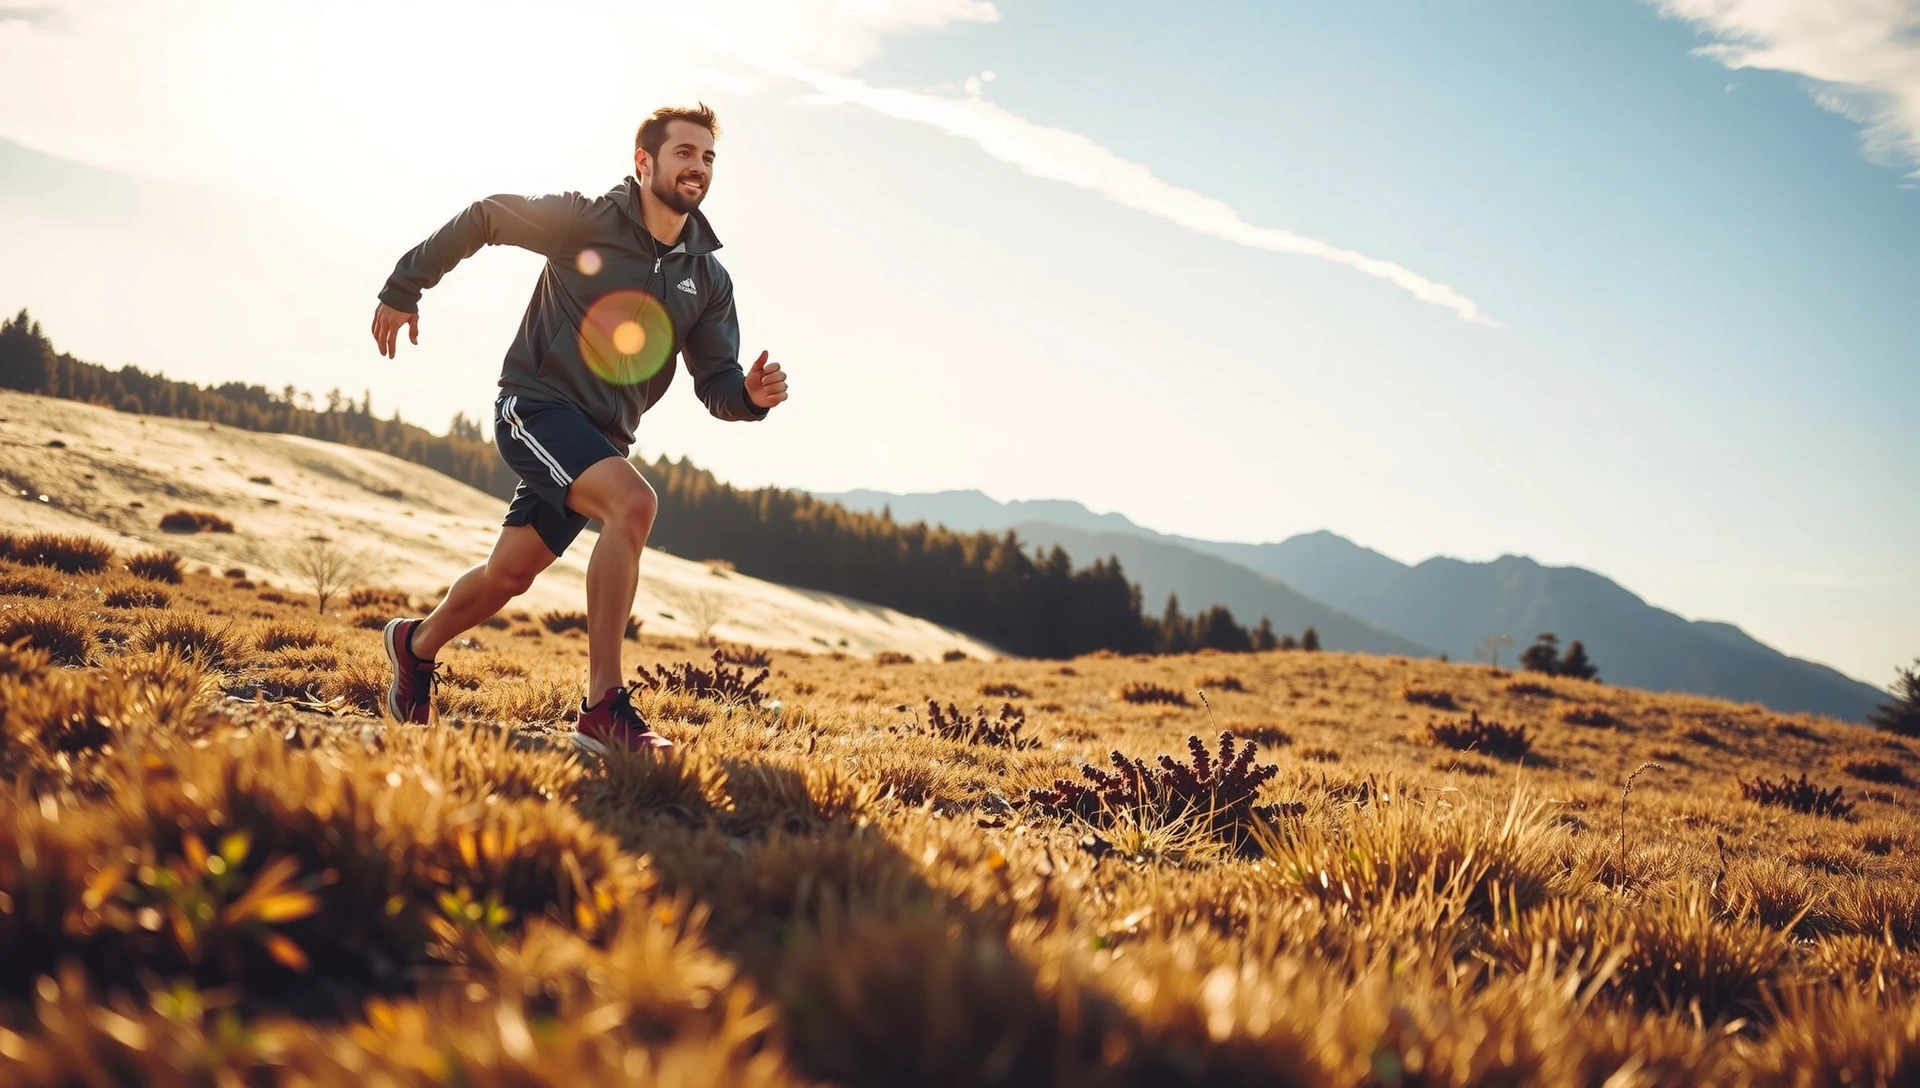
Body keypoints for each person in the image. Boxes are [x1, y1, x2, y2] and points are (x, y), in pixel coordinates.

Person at [367, 103, 788, 754]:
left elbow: (717, 382)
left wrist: (749, 397)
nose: (698, 167)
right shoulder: (585, 220)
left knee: (510, 574)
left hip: (602, 439)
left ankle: (413, 645)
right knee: (634, 503)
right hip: (534, 407)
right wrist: (405, 284)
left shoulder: (706, 276)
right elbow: (486, 216)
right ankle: (602, 708)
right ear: (645, 162)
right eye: (684, 153)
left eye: (708, 157)